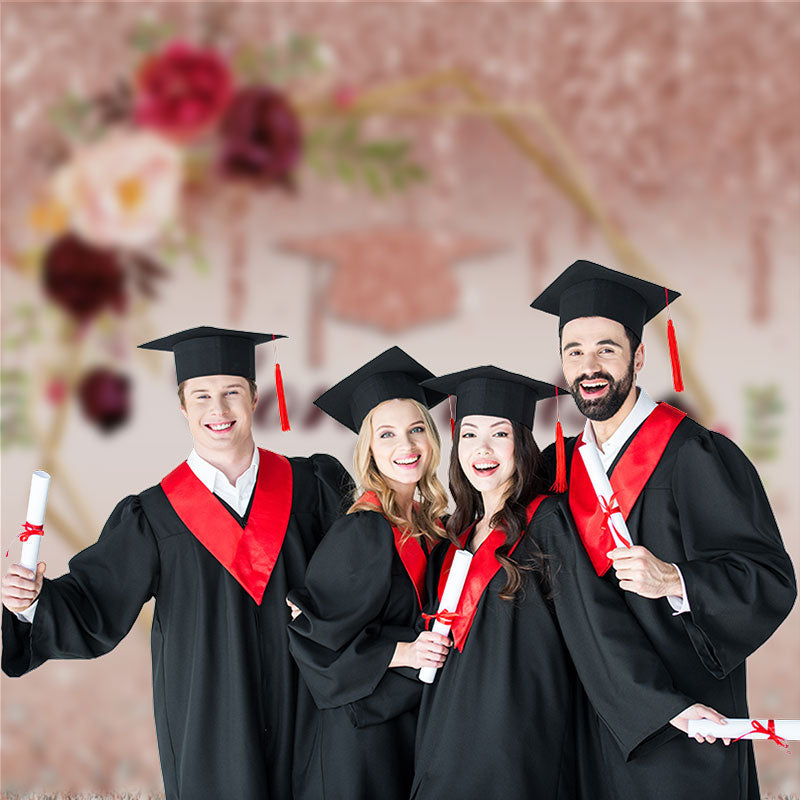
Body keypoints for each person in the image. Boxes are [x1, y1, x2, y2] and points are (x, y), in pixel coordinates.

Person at [2, 326, 353, 800]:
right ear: (183, 407)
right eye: (202, 396)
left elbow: (360, 576)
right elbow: (93, 602)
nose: (219, 409)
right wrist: (30, 603)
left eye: (232, 392)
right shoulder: (154, 515)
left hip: (309, 706)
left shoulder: (312, 486)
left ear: (254, 398)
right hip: (211, 721)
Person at [531, 260, 797, 799]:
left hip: (683, 721)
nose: (588, 366)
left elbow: (770, 579)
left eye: (606, 348)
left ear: (639, 355)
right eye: (574, 351)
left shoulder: (695, 455)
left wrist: (676, 579)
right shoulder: (553, 466)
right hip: (588, 716)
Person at [411, 366, 724, 800]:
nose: (482, 449)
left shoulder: (546, 521)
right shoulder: (453, 536)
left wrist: (668, 707)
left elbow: (594, 620)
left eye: (499, 434)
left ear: (521, 444)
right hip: (445, 737)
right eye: (469, 435)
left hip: (516, 738)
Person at [286, 346, 453, 800]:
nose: (407, 446)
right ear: (369, 450)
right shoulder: (363, 530)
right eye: (387, 435)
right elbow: (313, 639)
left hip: (408, 718)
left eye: (417, 429)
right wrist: (402, 652)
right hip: (360, 737)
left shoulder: (430, 523)